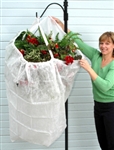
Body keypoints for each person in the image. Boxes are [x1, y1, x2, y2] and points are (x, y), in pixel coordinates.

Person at [52, 17, 114, 150]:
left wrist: (88, 68)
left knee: (112, 143)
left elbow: (105, 86)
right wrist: (62, 26)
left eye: (107, 43)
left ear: (113, 46)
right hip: (98, 106)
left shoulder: (113, 64)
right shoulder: (96, 56)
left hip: (111, 107)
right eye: (101, 43)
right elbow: (78, 42)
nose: (103, 46)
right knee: (103, 142)